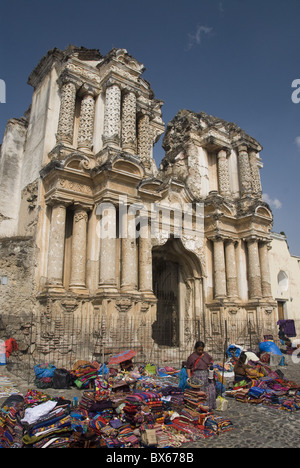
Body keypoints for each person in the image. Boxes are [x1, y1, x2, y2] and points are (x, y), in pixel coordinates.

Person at [186, 341, 216, 410]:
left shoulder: (206, 355)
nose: (200, 351)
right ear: (195, 349)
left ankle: (209, 406)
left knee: (210, 391)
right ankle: (200, 407)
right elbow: (188, 368)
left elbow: (211, 361)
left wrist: (210, 367)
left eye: (202, 350)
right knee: (199, 393)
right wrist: (189, 378)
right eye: (199, 350)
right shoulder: (192, 357)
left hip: (206, 375)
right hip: (197, 377)